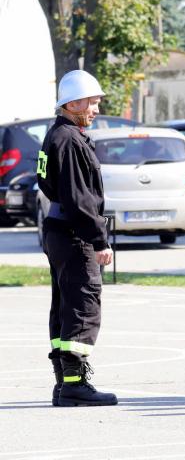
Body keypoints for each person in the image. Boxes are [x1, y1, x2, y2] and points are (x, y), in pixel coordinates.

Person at [37, 69, 117, 407]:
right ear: (72, 104)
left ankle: (64, 382)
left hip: (59, 231)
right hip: (73, 234)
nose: (96, 109)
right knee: (83, 305)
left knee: (65, 306)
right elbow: (79, 198)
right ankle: (75, 384)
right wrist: (99, 239)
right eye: (91, 102)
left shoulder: (58, 135)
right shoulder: (68, 139)